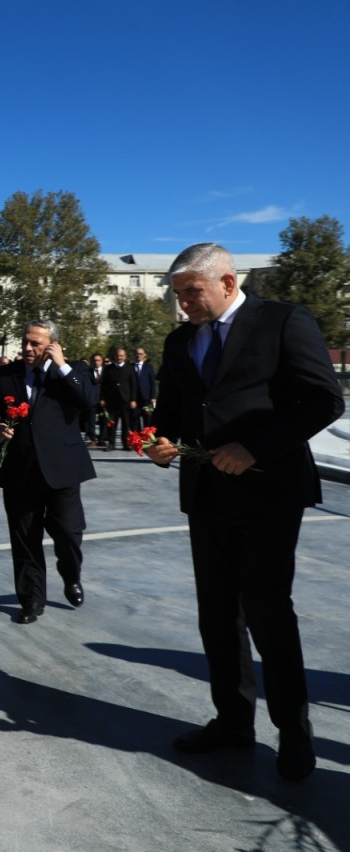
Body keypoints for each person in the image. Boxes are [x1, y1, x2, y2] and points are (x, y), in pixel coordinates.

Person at [146, 243, 343, 781]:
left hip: (268, 493)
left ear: (228, 283)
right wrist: (159, 443)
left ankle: (294, 732)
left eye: (193, 292)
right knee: (217, 614)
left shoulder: (282, 322)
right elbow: (173, 413)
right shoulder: (180, 341)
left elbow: (324, 399)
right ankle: (232, 721)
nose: (184, 303)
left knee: (268, 611)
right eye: (179, 293)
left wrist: (256, 447)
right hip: (206, 495)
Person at [0, 320, 95, 624]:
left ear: (53, 345)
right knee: (25, 539)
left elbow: (88, 401)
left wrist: (62, 366)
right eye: (26, 342)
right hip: (20, 469)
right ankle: (32, 598)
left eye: (37, 344)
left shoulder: (75, 371)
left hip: (63, 468)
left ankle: (71, 575)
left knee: (69, 533)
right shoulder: (5, 375)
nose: (29, 349)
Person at [101, 347, 139, 451]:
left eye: (121, 356)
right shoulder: (108, 369)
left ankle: (126, 444)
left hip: (126, 401)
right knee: (112, 424)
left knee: (126, 424)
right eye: (118, 356)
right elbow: (103, 385)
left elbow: (133, 385)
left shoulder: (130, 368)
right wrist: (102, 398)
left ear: (125, 357)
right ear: (115, 356)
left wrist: (133, 399)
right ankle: (111, 443)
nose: (119, 357)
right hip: (112, 401)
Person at [133, 346, 157, 428]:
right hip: (135, 399)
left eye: (140, 354)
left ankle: (147, 438)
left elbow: (152, 383)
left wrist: (153, 397)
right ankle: (138, 439)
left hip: (147, 399)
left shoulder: (149, 368)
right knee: (135, 420)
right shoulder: (130, 367)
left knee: (148, 419)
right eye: (137, 354)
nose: (138, 356)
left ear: (144, 356)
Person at [85, 353, 105, 446]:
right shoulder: (87, 372)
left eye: (98, 360)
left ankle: (102, 439)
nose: (96, 362)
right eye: (94, 360)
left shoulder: (106, 372)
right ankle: (93, 438)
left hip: (103, 400)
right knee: (91, 420)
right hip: (92, 399)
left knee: (103, 420)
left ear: (102, 361)